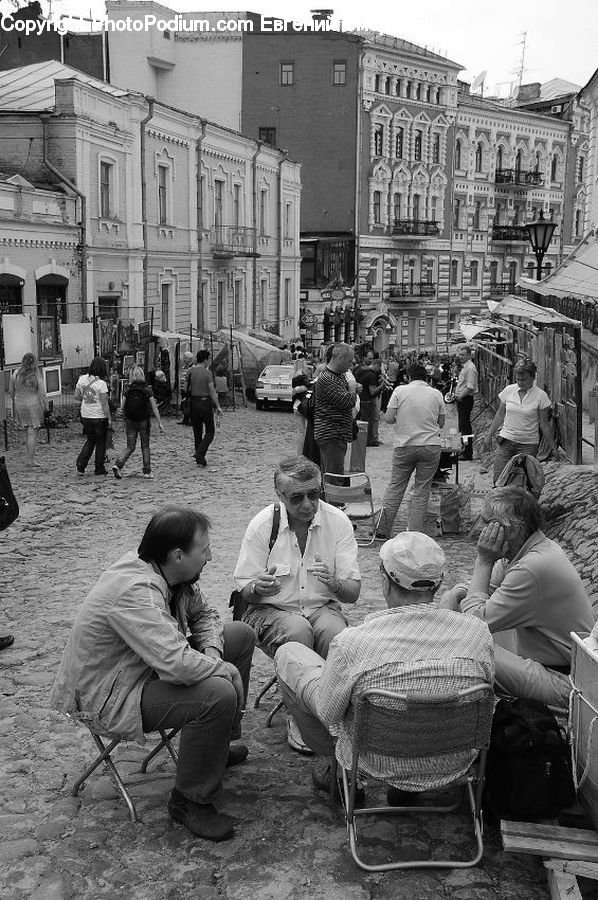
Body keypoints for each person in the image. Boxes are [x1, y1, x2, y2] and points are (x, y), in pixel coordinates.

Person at [50, 506, 256, 842]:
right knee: (219, 693)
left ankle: (214, 750)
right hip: (110, 695)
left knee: (239, 636)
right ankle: (190, 800)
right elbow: (176, 664)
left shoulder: (173, 572)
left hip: (146, 669)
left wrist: (214, 653)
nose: (211, 557)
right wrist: (223, 669)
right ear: (178, 555)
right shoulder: (135, 590)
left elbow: (205, 614)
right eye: (204, 550)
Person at [274, 532, 494, 800]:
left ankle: (342, 775)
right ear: (439, 584)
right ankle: (406, 787)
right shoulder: (478, 634)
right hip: (452, 759)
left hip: (374, 761)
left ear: (384, 579)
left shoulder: (353, 644)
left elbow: (329, 715)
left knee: (290, 655)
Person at [234, 455, 360, 752]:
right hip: (271, 610)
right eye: (297, 497)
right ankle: (299, 716)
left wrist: (335, 584)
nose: (307, 504)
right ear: (279, 496)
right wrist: (258, 586)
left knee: (337, 637)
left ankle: (332, 711)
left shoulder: (337, 522)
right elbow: (246, 593)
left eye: (314, 494)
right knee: (298, 632)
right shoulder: (263, 525)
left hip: (321, 606)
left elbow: (352, 592)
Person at [440, 487, 593, 709]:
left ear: (510, 530)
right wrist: (453, 594)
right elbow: (480, 588)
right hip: (544, 660)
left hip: (566, 682)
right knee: (455, 628)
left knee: (466, 647)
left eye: (486, 521)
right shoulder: (526, 550)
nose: (479, 529)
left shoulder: (533, 567)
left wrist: (483, 561)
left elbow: (474, 624)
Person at [377, 363, 445, 538]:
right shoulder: (436, 394)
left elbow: (389, 418)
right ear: (427, 377)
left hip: (404, 445)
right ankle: (414, 532)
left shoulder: (400, 391)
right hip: (430, 445)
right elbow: (441, 423)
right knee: (421, 490)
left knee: (395, 487)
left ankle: (383, 529)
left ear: (408, 376)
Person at [483, 360, 564, 483]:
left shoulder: (541, 396)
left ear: (533, 377)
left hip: (528, 445)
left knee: (524, 482)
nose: (521, 383)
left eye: (524, 380)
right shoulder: (508, 391)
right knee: (499, 480)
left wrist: (553, 447)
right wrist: (489, 436)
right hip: (506, 441)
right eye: (518, 380)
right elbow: (500, 415)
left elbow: (544, 425)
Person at [314, 343, 357, 479]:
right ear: (340, 357)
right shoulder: (328, 378)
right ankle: (333, 501)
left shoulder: (338, 376)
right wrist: (353, 388)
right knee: (334, 479)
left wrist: (351, 389)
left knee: (330, 477)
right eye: (349, 360)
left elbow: (343, 396)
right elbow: (348, 402)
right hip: (331, 434)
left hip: (335, 434)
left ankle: (329, 500)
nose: (351, 364)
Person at [112, 366, 164, 480]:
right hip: (143, 420)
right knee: (145, 446)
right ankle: (147, 471)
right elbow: (154, 407)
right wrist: (159, 422)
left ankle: (118, 464)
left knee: (130, 446)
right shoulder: (147, 389)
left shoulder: (127, 389)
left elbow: (122, 407)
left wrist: (121, 418)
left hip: (130, 420)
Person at [9, 352, 49, 468]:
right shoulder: (36, 374)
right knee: (32, 433)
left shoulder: (15, 373)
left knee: (26, 430)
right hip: (33, 404)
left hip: (19, 403)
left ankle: (29, 457)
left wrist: (15, 402)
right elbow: (42, 393)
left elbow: (11, 391)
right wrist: (46, 406)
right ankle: (31, 460)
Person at [75, 356, 110, 476]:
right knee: (101, 442)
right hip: (99, 416)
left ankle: (81, 463)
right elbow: (104, 403)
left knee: (90, 441)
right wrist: (109, 418)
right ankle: (99, 467)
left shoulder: (82, 379)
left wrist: (86, 398)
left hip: (86, 414)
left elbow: (76, 396)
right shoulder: (101, 384)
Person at [186, 350, 223, 467]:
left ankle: (199, 457)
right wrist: (218, 406)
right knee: (210, 431)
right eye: (209, 359)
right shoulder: (208, 373)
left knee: (197, 431)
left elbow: (185, 387)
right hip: (204, 402)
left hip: (193, 402)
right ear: (206, 359)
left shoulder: (190, 371)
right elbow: (212, 391)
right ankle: (200, 453)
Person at [455, 346, 477, 460]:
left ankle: (468, 452)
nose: (461, 356)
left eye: (463, 354)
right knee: (462, 426)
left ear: (469, 355)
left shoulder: (470, 368)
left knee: (465, 426)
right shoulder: (466, 367)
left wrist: (460, 396)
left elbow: (470, 387)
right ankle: (463, 448)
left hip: (465, 400)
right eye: (460, 354)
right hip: (462, 399)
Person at [356, 356, 384, 447]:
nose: (379, 370)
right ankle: (370, 441)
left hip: (360, 398)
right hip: (368, 400)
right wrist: (381, 385)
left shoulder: (360, 370)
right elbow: (372, 391)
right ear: (377, 365)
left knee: (361, 420)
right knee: (369, 421)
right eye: (379, 368)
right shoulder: (372, 375)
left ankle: (361, 439)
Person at [292, 357, 312, 455]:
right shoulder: (303, 377)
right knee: (308, 430)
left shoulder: (294, 377)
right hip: (304, 405)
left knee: (300, 431)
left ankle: (299, 453)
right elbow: (310, 386)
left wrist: (297, 389)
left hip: (296, 405)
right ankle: (306, 452)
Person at [178, 351, 195, 426]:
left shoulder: (193, 368)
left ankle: (191, 420)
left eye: (185, 358)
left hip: (189, 389)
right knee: (184, 404)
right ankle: (185, 419)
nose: (184, 359)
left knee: (190, 404)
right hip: (183, 388)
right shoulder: (184, 367)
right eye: (184, 357)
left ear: (190, 359)